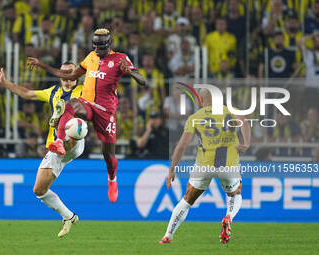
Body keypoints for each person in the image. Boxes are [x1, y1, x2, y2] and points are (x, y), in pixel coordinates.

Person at [27, 28, 147, 203]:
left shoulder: (120, 58)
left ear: (108, 44)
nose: (97, 49)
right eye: (95, 45)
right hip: (88, 104)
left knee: (108, 155)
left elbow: (143, 81)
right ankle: (59, 142)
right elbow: (69, 74)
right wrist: (42, 65)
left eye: (100, 45)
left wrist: (131, 72)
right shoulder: (90, 57)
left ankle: (112, 178)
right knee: (68, 106)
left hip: (105, 112)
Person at [0, 62, 83, 238]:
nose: (67, 77)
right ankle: (69, 216)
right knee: (39, 190)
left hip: (75, 141)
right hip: (56, 150)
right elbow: (27, 93)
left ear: (76, 76)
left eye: (71, 73)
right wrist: (5, 82)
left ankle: (61, 126)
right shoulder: (53, 92)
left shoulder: (85, 91)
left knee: (75, 124)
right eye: (63, 73)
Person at [159, 88, 250, 244]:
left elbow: (181, 146)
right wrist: (246, 143)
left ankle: (168, 235)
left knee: (187, 200)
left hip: (203, 166)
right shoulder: (228, 111)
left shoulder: (195, 118)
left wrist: (172, 169)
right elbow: (245, 122)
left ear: (200, 101)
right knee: (236, 193)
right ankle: (228, 216)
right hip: (228, 165)